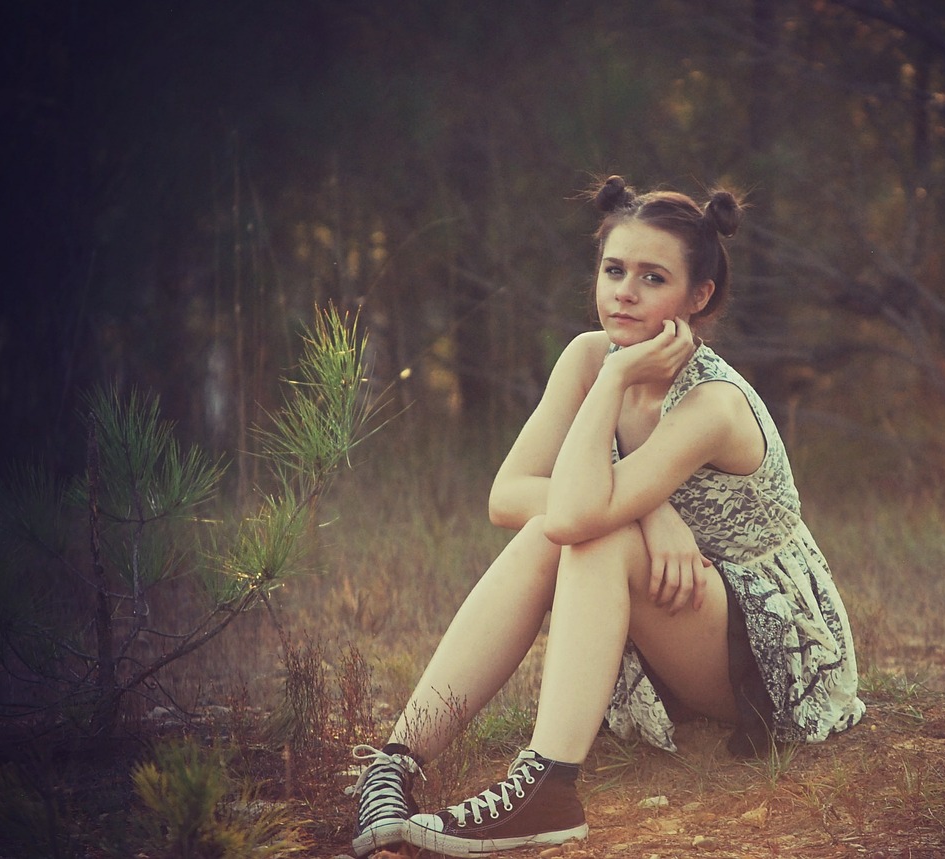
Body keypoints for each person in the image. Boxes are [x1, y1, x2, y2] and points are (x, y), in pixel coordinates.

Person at [348, 176, 865, 858]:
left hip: (771, 651)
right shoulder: (589, 357)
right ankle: (396, 762)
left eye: (652, 278)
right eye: (613, 269)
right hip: (680, 611)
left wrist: (620, 400)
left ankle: (548, 790)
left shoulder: (711, 404)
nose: (623, 291)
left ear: (698, 296)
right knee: (571, 525)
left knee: (593, 530)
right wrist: (652, 509)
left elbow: (579, 514)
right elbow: (508, 494)